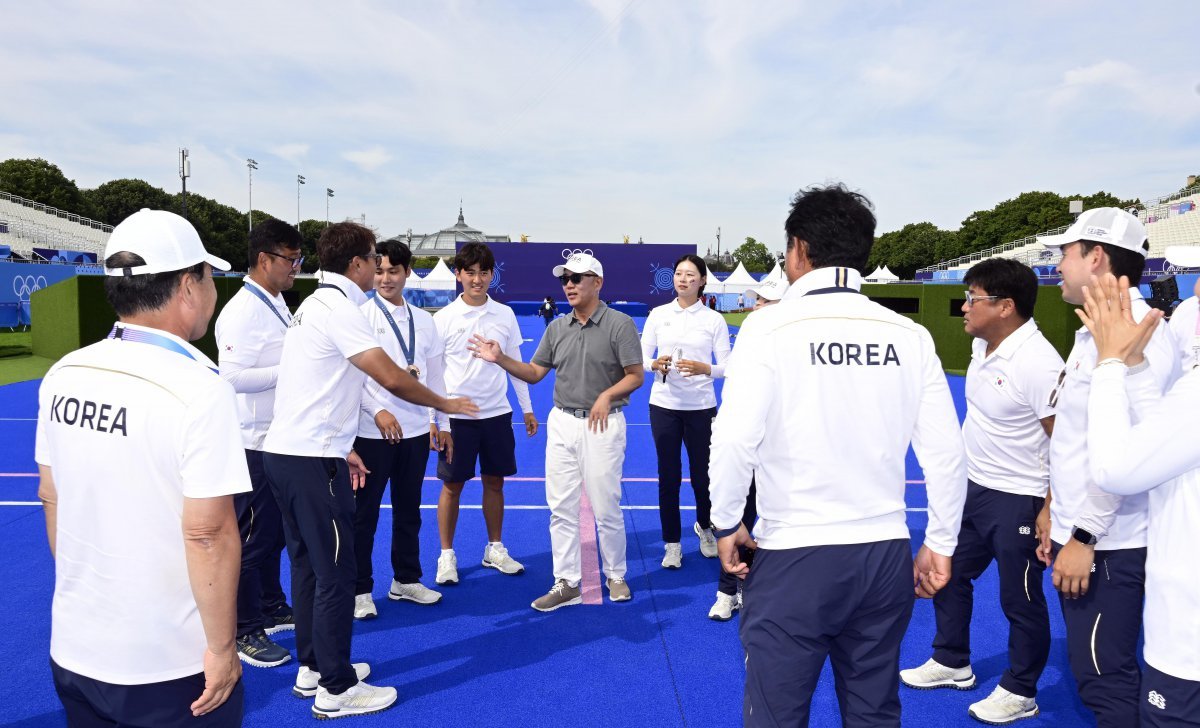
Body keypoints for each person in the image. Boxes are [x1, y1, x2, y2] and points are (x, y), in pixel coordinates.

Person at [708, 184, 967, 726]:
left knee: (776, 715)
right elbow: (946, 453)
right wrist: (940, 543)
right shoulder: (909, 334)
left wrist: (727, 521)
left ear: (799, 248)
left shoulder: (768, 327)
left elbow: (733, 439)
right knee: (874, 712)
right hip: (883, 554)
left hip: (796, 552)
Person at [36, 209, 248, 725]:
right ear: (186, 286)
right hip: (165, 663)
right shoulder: (198, 387)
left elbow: (51, 495)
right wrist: (222, 649)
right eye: (209, 277)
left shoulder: (66, 371)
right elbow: (207, 533)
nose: (213, 294)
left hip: (75, 646)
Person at [262, 222, 478, 719]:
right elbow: (389, 378)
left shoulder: (314, 304)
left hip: (294, 452)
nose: (378, 269)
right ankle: (335, 689)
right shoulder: (342, 309)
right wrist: (444, 404)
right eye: (373, 260)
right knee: (336, 575)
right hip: (311, 461)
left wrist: (343, 444)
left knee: (309, 569)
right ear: (357, 263)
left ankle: (314, 667)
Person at [900, 258, 1062, 724]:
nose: (964, 307)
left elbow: (1067, 443)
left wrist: (1050, 509)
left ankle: (1021, 689)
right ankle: (952, 660)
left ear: (1006, 307)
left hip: (1020, 497)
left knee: (1020, 598)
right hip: (974, 488)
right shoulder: (983, 347)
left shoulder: (1037, 363)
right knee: (948, 572)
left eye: (974, 298)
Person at [1034, 207, 1178, 727]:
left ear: (1096, 258)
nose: (1057, 268)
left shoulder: (1139, 339)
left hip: (1112, 543)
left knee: (1105, 678)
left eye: (1065, 255)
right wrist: (1055, 507)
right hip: (1092, 532)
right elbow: (1079, 440)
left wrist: (1085, 537)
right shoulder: (1097, 332)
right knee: (1098, 673)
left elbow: (1135, 450)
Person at [468, 251, 644, 611]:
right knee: (560, 507)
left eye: (577, 278)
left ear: (598, 282)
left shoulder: (620, 324)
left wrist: (607, 395)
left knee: (605, 506)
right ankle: (567, 582)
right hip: (562, 422)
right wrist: (499, 358)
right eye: (565, 279)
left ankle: (615, 574)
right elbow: (534, 373)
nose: (569, 285)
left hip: (604, 424)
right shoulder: (557, 328)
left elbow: (635, 375)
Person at [1078, 273, 1200, 728]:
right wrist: (1134, 367)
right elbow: (1163, 441)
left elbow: (1116, 469)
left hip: (1188, 648)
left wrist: (1108, 364)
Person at [213, 219, 302, 669]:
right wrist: (291, 371)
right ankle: (244, 629)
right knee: (252, 538)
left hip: (275, 438)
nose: (296, 268)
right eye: (290, 259)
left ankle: (269, 604)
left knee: (274, 535)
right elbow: (230, 377)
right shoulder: (243, 312)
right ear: (264, 260)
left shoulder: (276, 302)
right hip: (251, 443)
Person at [351, 240, 448, 620]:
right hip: (371, 432)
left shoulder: (425, 322)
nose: (385, 278)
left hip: (415, 433)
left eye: (394, 271)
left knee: (409, 510)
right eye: (379, 270)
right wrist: (376, 411)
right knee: (364, 515)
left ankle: (405, 579)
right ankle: (360, 588)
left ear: (409, 273)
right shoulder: (359, 316)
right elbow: (351, 376)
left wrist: (441, 422)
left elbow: (436, 376)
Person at [432, 242, 537, 585]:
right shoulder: (444, 319)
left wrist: (527, 409)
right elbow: (434, 374)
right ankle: (446, 556)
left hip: (496, 416)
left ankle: (495, 548)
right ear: (458, 275)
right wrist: (438, 420)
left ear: (492, 275)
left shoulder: (504, 315)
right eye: (470, 272)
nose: (477, 279)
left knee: (495, 483)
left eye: (483, 272)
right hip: (457, 419)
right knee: (452, 487)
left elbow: (515, 366)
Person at [641, 254, 731, 572]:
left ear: (702, 281)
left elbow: (728, 367)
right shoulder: (658, 315)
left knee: (703, 476)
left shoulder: (713, 320)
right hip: (664, 406)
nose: (683, 279)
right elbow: (639, 358)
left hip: (701, 408)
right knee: (668, 476)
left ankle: (705, 528)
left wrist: (704, 367)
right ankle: (672, 543)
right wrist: (653, 364)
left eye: (690, 275)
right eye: (678, 273)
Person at [708, 275, 786, 622]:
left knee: (775, 527)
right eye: (757, 301)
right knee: (738, 517)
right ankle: (728, 591)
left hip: (783, 458)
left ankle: (758, 594)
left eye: (766, 302)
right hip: (749, 449)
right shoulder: (752, 336)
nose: (758, 307)